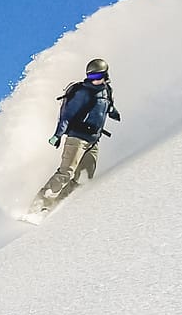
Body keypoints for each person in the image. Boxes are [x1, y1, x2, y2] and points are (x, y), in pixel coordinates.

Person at [30, 58, 120, 216]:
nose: (94, 80)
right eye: (91, 77)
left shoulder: (107, 91)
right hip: (77, 139)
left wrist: (113, 112)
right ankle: (37, 206)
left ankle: (55, 207)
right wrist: (57, 135)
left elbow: (108, 105)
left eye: (97, 76)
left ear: (105, 75)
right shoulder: (83, 92)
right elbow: (67, 116)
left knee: (84, 178)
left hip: (93, 141)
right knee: (66, 172)